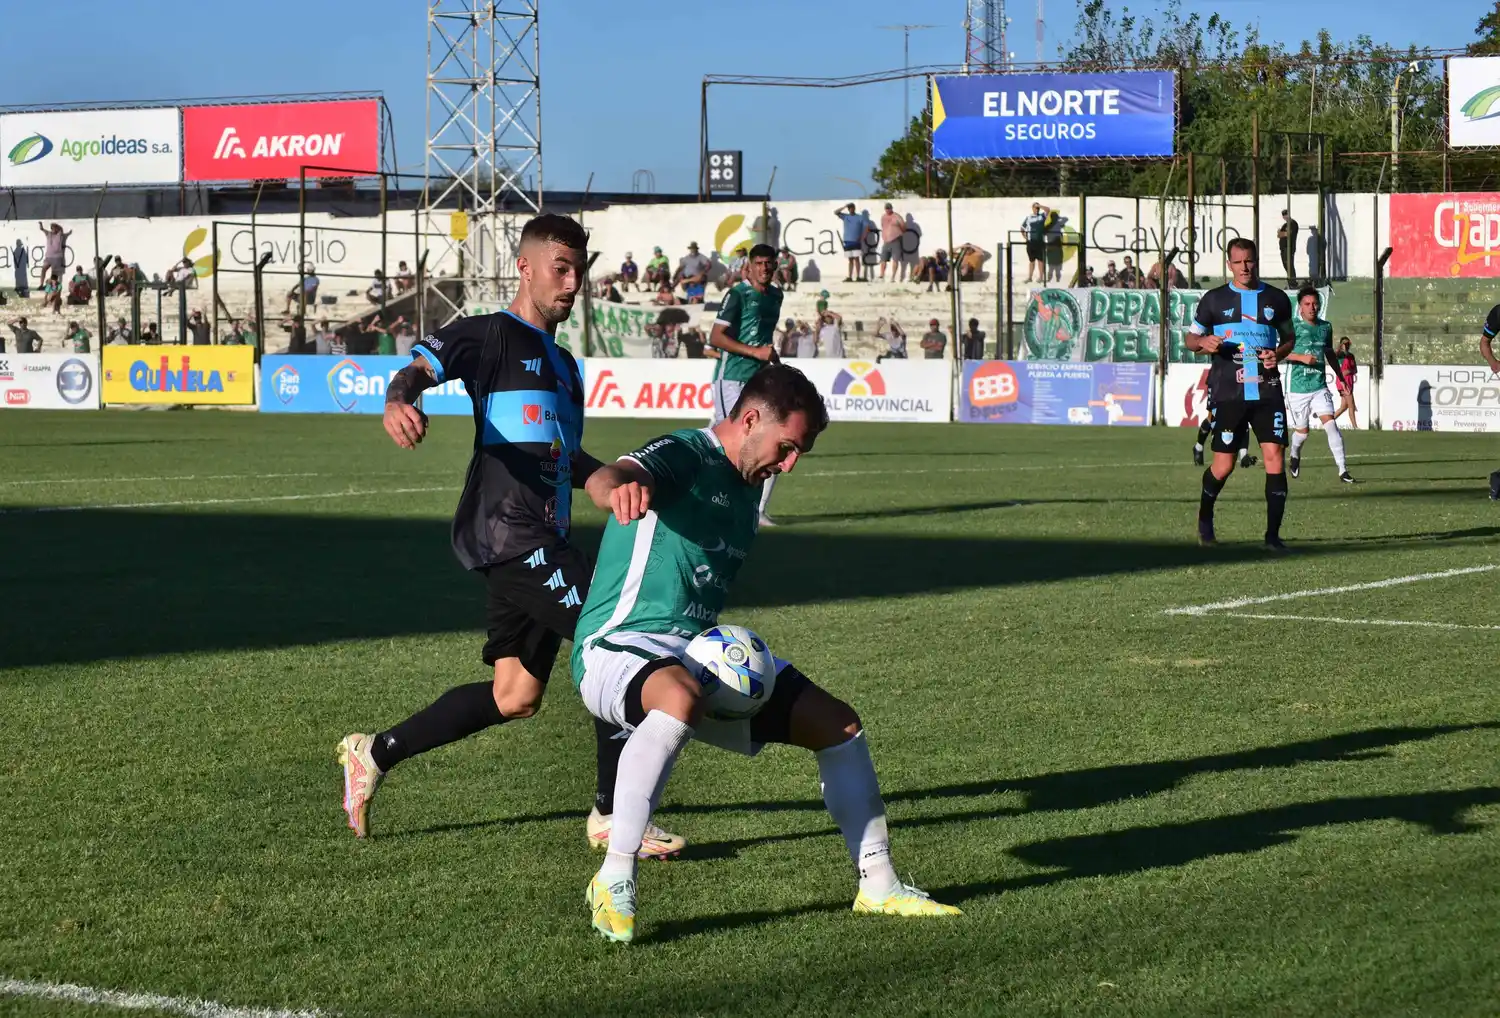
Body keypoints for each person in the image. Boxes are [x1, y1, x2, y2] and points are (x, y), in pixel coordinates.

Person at [336, 213, 687, 858]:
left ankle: (375, 751)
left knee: (515, 695)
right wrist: (398, 398)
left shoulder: (567, 366)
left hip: (539, 539)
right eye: (561, 267)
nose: (573, 281)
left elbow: (567, 458)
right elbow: (417, 369)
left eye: (580, 269)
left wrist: (609, 484)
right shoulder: (490, 335)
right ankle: (612, 817)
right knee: (616, 638)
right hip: (510, 536)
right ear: (524, 267)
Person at [574, 365, 962, 944]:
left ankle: (879, 884)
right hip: (615, 647)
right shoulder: (689, 453)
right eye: (786, 446)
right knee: (677, 696)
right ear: (750, 418)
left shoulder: (748, 485)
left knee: (839, 724)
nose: (788, 465)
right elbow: (616, 473)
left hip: (696, 653)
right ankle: (615, 875)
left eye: (798, 452)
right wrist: (616, 489)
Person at [1186, 238, 1296, 550]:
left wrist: (1280, 352)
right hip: (1228, 391)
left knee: (1274, 457)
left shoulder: (1276, 298)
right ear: (1229, 265)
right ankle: (1205, 522)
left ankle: (1272, 537)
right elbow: (1191, 339)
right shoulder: (1214, 299)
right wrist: (1203, 342)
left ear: (1256, 260)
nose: (1244, 267)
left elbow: (1289, 338)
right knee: (1224, 465)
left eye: (1249, 261)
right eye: (1238, 262)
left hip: (1267, 389)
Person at [707, 243, 783, 528]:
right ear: (748, 266)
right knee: (730, 445)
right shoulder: (737, 294)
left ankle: (757, 511)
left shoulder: (776, 295)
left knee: (772, 438)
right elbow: (716, 337)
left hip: (757, 378)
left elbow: (761, 336)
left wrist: (769, 358)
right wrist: (756, 353)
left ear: (776, 266)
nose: (764, 268)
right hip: (732, 379)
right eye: (759, 263)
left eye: (769, 263)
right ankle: (717, 505)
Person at [1285, 287, 1355, 484]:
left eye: (1315, 303)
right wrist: (1301, 357)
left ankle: (1343, 471)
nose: (1312, 307)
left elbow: (1329, 353)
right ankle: (1295, 453)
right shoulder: (1292, 327)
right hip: (1297, 387)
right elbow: (1278, 353)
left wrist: (1340, 376)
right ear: (1300, 307)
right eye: (1307, 304)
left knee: (1331, 424)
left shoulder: (1326, 327)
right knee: (1302, 432)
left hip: (1319, 385)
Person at [1332, 337, 1359, 429]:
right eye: (1345, 344)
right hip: (1342, 382)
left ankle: (1328, 422)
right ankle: (1355, 427)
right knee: (1351, 404)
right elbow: (1334, 357)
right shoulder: (1340, 355)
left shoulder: (1351, 356)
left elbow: (1355, 369)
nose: (1347, 346)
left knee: (1344, 406)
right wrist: (1340, 348)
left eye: (1348, 344)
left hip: (1349, 382)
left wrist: (1349, 370)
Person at [835, 203, 865, 282]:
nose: (851, 209)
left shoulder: (859, 217)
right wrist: (844, 207)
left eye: (852, 208)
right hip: (848, 242)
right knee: (850, 260)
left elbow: (865, 228)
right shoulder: (845, 216)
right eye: (850, 208)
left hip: (856, 241)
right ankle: (850, 277)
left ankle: (858, 276)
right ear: (848, 209)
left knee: (857, 259)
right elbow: (835, 212)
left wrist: (861, 237)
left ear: (854, 208)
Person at [1022, 203, 1049, 283]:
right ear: (1032, 208)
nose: (1037, 209)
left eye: (1038, 208)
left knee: (1040, 260)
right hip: (1031, 242)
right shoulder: (1028, 218)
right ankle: (1030, 277)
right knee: (1031, 260)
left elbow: (1048, 209)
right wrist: (1025, 237)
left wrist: (1040, 205)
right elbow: (1022, 228)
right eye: (1035, 208)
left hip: (1040, 242)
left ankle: (1041, 277)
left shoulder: (1042, 216)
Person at [38, 222, 70, 288]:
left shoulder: (59, 234)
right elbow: (43, 230)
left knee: (54, 273)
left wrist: (57, 226)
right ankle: (41, 285)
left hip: (57, 257)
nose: (53, 230)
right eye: (52, 228)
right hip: (48, 257)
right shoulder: (49, 234)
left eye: (54, 228)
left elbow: (61, 229)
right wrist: (41, 226)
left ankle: (51, 286)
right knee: (43, 269)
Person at [878, 203, 905, 281]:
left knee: (895, 259)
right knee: (883, 259)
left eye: (889, 208)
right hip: (886, 241)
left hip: (895, 240)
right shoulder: (883, 217)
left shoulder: (897, 217)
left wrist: (899, 233)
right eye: (886, 208)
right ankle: (882, 275)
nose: (888, 210)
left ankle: (893, 276)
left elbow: (903, 227)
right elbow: (883, 226)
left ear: (891, 208)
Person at [1278, 210, 1299, 287]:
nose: (1285, 216)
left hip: (1289, 248)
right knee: (1285, 265)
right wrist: (1283, 234)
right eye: (1283, 215)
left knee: (1289, 265)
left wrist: (1283, 233)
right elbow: (1279, 235)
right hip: (1283, 248)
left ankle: (1293, 283)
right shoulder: (1285, 225)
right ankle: (1291, 282)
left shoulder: (1293, 223)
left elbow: (1289, 233)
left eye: (1286, 214)